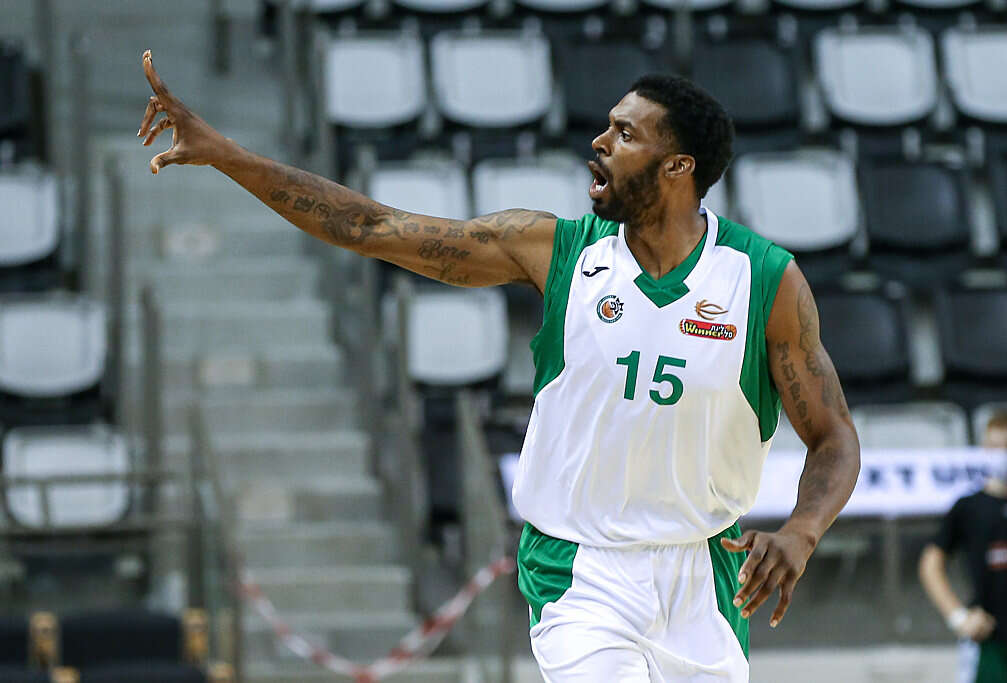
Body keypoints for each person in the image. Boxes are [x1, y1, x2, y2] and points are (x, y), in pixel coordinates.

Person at [137, 50, 861, 682]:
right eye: (607, 126)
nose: (599, 141)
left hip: (704, 571)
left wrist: (801, 530)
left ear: (679, 167)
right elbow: (372, 227)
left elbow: (833, 436)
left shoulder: (763, 281)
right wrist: (228, 155)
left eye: (625, 133)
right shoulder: (557, 251)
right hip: (581, 569)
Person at [920, 412, 1007, 683]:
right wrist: (958, 617)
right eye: (996, 446)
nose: (1004, 453)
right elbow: (931, 563)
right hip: (987, 636)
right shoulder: (969, 507)